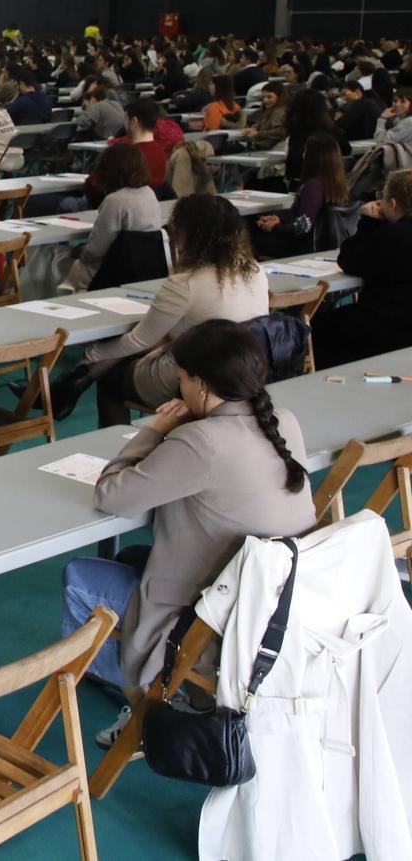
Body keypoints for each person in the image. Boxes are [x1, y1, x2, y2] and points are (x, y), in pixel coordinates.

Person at [61, 319, 315, 744]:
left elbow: (110, 494)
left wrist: (154, 430)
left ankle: (141, 703)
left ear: (200, 384)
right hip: (269, 610)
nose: (177, 391)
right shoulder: (283, 421)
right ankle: (156, 687)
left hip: (205, 625)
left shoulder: (201, 441)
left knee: (78, 577)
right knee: (128, 560)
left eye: (180, 380)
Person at [68, 194, 269, 427]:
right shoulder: (255, 272)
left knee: (110, 381)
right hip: (244, 374)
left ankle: (114, 444)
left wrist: (90, 356)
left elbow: (138, 341)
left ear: (188, 235)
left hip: (193, 379)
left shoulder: (185, 284)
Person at [315, 169, 412, 368]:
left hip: (386, 324)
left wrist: (368, 222)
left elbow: (349, 259)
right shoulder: (392, 235)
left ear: (393, 205)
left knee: (318, 327)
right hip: (401, 326)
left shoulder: (392, 236)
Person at [59, 143, 163, 292]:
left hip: (109, 274)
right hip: (144, 271)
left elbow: (94, 253)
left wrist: (78, 251)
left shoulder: (115, 201)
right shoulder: (149, 193)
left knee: (54, 258)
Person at [250, 130, 347, 258]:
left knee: (251, 234)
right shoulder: (338, 183)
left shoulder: (313, 186)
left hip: (302, 246)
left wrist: (275, 227)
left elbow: (303, 227)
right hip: (318, 243)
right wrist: (280, 220)